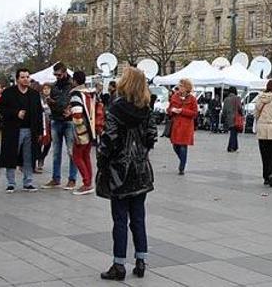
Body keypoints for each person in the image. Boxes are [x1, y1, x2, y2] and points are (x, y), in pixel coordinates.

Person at [96, 67, 156, 281]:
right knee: (138, 217)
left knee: (120, 219)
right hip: (140, 169)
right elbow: (151, 137)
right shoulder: (147, 109)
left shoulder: (116, 108)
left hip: (119, 169)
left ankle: (118, 264)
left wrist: (102, 159)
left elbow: (109, 139)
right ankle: (141, 260)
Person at [0, 68, 43, 193]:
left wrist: (40, 131)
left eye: (27, 77)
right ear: (17, 79)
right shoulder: (8, 92)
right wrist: (15, 113)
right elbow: (0, 108)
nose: (26, 79)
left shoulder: (34, 94)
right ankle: (11, 182)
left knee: (29, 157)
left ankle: (28, 182)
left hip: (30, 129)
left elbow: (39, 113)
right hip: (13, 130)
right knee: (11, 155)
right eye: (23, 77)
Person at [42, 62, 78, 190]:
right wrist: (52, 103)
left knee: (71, 151)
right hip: (56, 119)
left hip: (68, 121)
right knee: (56, 152)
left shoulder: (72, 86)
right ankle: (55, 178)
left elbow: (66, 103)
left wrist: (55, 103)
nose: (57, 77)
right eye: (55, 75)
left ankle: (72, 179)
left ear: (64, 72)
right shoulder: (55, 86)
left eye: (59, 74)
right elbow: (59, 104)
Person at [69, 71, 97, 195]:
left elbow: (77, 114)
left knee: (77, 156)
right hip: (91, 129)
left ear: (74, 81)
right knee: (86, 156)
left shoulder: (76, 94)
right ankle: (89, 182)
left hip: (82, 131)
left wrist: (76, 123)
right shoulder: (90, 93)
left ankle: (86, 183)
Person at [167, 79, 197, 175]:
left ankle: (182, 167)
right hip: (176, 125)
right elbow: (169, 109)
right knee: (175, 146)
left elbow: (195, 113)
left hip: (186, 126)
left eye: (181, 86)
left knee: (183, 146)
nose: (179, 87)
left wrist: (182, 111)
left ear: (186, 88)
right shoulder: (174, 97)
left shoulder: (192, 99)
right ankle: (183, 160)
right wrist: (172, 110)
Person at [36, 83, 53, 172]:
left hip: (51, 123)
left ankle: (42, 157)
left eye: (48, 88)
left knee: (48, 143)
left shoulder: (53, 98)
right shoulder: (39, 99)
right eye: (44, 88)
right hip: (41, 123)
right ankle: (39, 159)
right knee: (39, 142)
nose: (46, 90)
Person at [221, 87, 242, 152]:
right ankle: (232, 147)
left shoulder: (226, 99)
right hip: (236, 118)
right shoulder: (237, 98)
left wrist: (225, 117)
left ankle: (233, 146)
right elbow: (240, 108)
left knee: (233, 132)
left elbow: (224, 110)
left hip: (228, 118)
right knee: (234, 133)